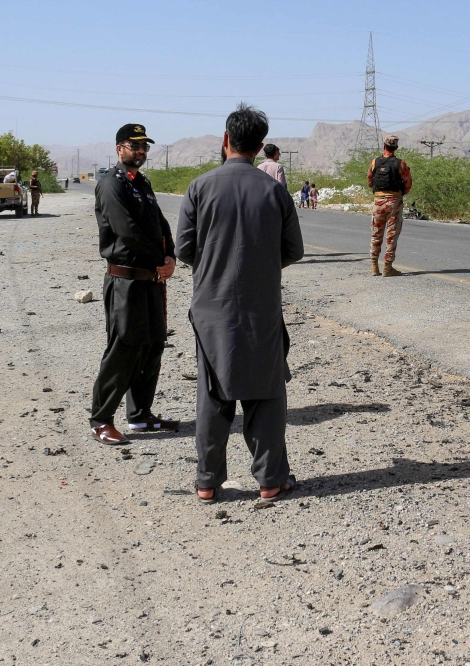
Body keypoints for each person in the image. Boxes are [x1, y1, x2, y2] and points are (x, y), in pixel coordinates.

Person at [175, 103, 304, 505]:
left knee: (213, 395)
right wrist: (258, 264)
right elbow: (293, 250)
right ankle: (270, 481)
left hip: (211, 308)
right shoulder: (275, 191)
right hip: (260, 307)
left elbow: (183, 248)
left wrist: (216, 266)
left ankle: (207, 483)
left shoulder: (200, 187)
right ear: (260, 145)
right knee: (265, 394)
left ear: (226, 140)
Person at [89, 123, 178, 445]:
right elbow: (126, 229)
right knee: (124, 348)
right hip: (125, 281)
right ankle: (101, 419)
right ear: (119, 149)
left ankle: (140, 415)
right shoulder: (111, 185)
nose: (140, 151)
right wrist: (160, 258)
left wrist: (171, 256)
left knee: (152, 344)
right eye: (134, 145)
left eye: (144, 147)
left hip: (151, 279)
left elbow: (160, 224)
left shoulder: (141, 182)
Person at [367, 134, 412, 277]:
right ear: (396, 148)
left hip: (378, 202)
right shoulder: (401, 164)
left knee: (376, 233)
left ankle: (374, 266)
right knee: (391, 235)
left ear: (384, 146)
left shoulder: (374, 162)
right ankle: (387, 267)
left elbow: (370, 181)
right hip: (394, 202)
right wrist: (399, 194)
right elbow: (408, 183)